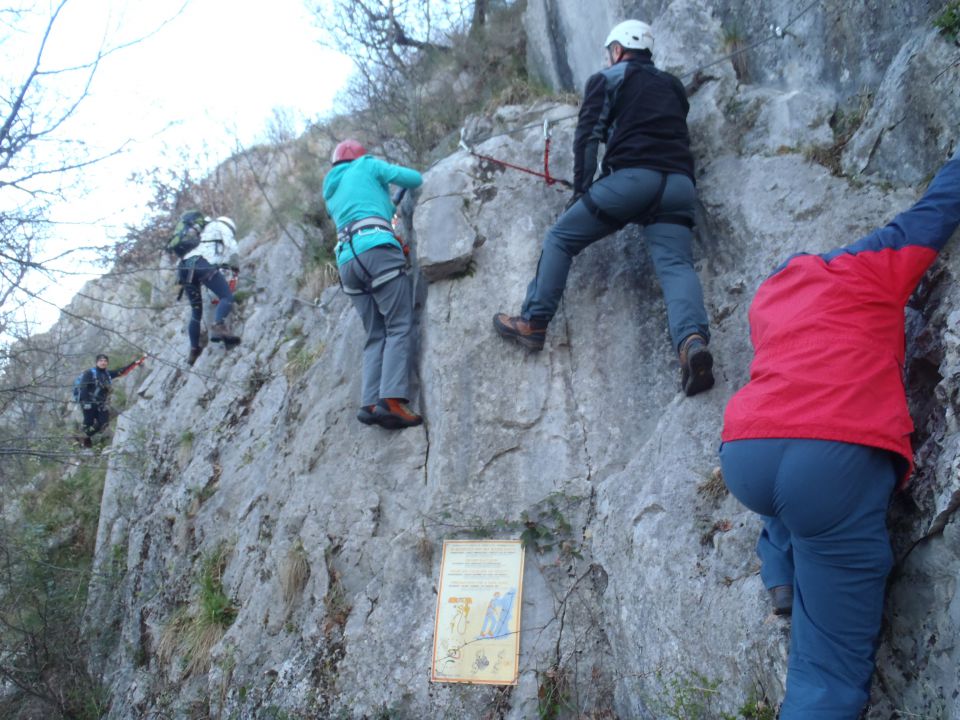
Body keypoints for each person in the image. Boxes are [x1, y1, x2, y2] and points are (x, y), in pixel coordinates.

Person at [720, 147, 960, 718]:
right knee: (826, 673)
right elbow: (937, 208)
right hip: (833, 456)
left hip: (746, 453)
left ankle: (780, 569)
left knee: (781, 450)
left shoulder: (771, 298)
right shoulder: (868, 267)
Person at [493, 20, 714, 396]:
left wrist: (581, 192)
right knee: (676, 266)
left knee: (561, 237)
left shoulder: (607, 78)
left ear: (618, 49)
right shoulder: (673, 85)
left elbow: (588, 136)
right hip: (678, 184)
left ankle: (533, 322)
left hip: (632, 180)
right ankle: (692, 343)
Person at [322, 139, 424, 429]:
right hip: (376, 250)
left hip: (347, 262)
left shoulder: (331, 188)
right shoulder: (366, 165)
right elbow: (414, 179)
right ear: (359, 157)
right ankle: (391, 401)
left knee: (375, 332)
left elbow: (363, 207)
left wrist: (384, 205)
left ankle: (369, 401)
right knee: (399, 325)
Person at [174, 215, 241, 365]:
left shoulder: (203, 229)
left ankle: (194, 349)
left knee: (196, 313)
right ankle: (218, 325)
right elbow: (232, 250)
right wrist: (234, 267)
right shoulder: (223, 228)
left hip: (184, 268)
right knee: (226, 297)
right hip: (201, 266)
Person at [76, 353, 145, 447]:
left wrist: (136, 363)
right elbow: (83, 387)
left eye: (105, 361)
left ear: (107, 363)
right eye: (101, 361)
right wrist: (86, 402)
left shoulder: (107, 374)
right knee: (88, 423)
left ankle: (85, 437)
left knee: (103, 423)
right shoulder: (90, 373)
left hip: (100, 404)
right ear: (96, 362)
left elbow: (121, 371)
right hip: (89, 403)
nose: (103, 362)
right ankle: (85, 443)